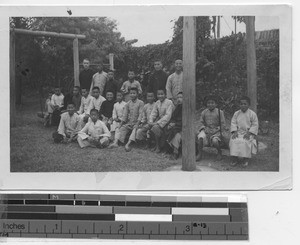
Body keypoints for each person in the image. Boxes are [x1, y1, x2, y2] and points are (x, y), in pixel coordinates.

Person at [229, 96, 259, 167]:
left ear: (248, 105)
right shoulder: (236, 113)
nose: (243, 105)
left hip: (248, 133)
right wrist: (235, 131)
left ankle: (246, 159)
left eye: (245, 104)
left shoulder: (252, 114)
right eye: (241, 104)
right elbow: (233, 123)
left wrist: (249, 133)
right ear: (239, 105)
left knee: (245, 141)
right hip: (238, 132)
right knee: (234, 140)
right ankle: (234, 158)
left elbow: (255, 124)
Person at [196, 95, 226, 161]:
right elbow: (200, 122)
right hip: (206, 130)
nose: (210, 104)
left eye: (212, 103)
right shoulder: (204, 112)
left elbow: (223, 124)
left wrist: (216, 129)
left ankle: (219, 151)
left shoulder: (220, 112)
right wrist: (204, 128)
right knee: (200, 137)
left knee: (215, 141)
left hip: (216, 131)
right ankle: (200, 153)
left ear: (216, 104)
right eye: (208, 103)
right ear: (206, 104)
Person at [148, 89, 173, 153]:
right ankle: (156, 145)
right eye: (158, 94)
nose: (160, 96)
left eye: (162, 94)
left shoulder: (169, 102)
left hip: (168, 121)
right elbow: (153, 113)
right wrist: (151, 121)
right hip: (160, 121)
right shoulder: (157, 102)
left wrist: (157, 123)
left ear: (166, 95)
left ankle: (158, 146)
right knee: (151, 126)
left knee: (155, 127)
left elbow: (168, 115)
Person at [166, 92, 183, 160]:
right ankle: (168, 149)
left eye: (181, 97)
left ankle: (175, 152)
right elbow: (173, 117)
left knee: (177, 135)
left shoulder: (186, 108)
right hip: (176, 126)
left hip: (183, 127)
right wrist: (171, 123)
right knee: (167, 129)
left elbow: (185, 121)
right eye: (178, 97)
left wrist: (175, 124)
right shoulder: (178, 107)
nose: (179, 99)